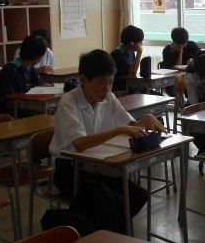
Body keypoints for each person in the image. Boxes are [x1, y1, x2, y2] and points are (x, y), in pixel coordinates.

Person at [49, 49, 166, 223]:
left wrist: (145, 119)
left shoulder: (108, 97)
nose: (107, 89)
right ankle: (99, 232)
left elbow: (129, 125)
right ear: (83, 80)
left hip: (98, 164)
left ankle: (101, 230)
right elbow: (79, 144)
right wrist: (117, 131)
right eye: (101, 83)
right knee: (109, 202)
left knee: (138, 196)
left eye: (111, 83)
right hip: (70, 169)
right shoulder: (68, 102)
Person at [0, 35, 47, 116]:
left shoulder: (31, 69)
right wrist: (35, 107)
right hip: (11, 115)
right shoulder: (9, 70)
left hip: (27, 110)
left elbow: (36, 94)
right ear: (38, 57)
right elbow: (9, 103)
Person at [110, 25, 144, 92]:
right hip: (121, 89)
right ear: (132, 43)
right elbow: (133, 71)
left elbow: (133, 73)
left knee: (157, 95)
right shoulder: (116, 54)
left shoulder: (131, 52)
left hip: (131, 86)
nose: (141, 44)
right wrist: (139, 52)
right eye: (140, 42)